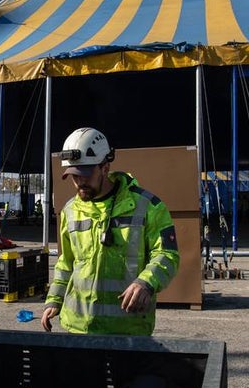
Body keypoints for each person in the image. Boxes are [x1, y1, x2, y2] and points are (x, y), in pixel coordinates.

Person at [41, 127, 179, 336]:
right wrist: (54, 299)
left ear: (105, 167)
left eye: (85, 174)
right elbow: (66, 262)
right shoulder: (70, 211)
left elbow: (167, 255)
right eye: (73, 175)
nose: (79, 182)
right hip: (77, 327)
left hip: (127, 329)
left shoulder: (148, 206)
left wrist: (146, 282)